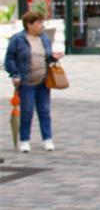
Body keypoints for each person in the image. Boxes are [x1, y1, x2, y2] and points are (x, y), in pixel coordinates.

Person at [4, 10, 61, 153]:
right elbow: (9, 59)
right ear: (29, 24)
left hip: (43, 80)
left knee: (44, 111)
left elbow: (47, 57)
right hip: (26, 82)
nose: (42, 25)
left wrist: (54, 57)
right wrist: (15, 74)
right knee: (27, 111)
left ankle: (47, 139)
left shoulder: (44, 38)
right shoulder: (18, 39)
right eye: (39, 23)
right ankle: (24, 140)